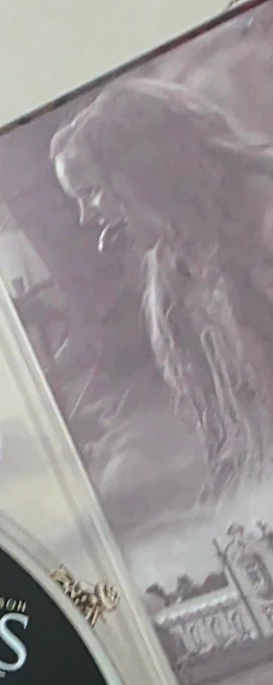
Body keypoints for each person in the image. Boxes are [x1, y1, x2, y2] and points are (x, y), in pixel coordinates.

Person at [51, 78, 273, 503]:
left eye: (92, 192)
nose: (85, 217)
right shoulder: (175, 263)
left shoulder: (263, 219)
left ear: (143, 171)